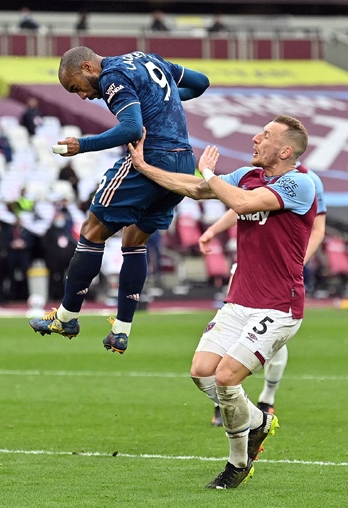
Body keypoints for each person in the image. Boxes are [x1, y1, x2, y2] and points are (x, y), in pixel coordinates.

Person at [128, 116, 315, 488]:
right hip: (240, 300)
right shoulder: (247, 175)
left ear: (285, 150)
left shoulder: (300, 183)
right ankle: (260, 421)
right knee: (201, 372)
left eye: (266, 135)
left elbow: (243, 205)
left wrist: (210, 174)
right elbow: (197, 189)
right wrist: (145, 167)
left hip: (279, 306)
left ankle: (237, 463)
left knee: (227, 376)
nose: (255, 137)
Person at [29, 47, 209, 354]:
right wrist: (159, 99)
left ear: (88, 66)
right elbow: (201, 82)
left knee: (92, 228)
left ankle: (67, 317)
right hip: (183, 162)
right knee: (134, 240)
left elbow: (130, 128)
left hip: (151, 157)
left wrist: (81, 145)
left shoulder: (112, 76)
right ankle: (121, 331)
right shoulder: (148, 58)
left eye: (78, 88)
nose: (83, 96)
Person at [199, 160, 327, 427]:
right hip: (246, 270)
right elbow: (241, 204)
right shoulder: (253, 175)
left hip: (279, 278)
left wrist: (296, 262)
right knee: (218, 351)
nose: (259, 142)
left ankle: (266, 399)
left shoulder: (308, 181)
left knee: (272, 340)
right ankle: (227, 403)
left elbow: (318, 228)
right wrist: (213, 230)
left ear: (286, 149)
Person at [41, 212, 76, 300]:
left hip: (65, 260)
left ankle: (63, 295)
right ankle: (53, 296)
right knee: (54, 278)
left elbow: (72, 243)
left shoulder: (66, 231)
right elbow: (45, 245)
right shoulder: (50, 231)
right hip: (53, 260)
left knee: (65, 278)